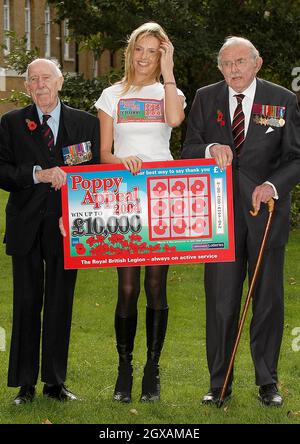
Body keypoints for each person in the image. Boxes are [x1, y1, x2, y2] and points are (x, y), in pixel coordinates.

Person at [182, 37, 300, 406]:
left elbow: (296, 158)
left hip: (265, 216)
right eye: (227, 63)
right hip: (218, 218)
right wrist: (207, 149)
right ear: (220, 67)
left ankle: (268, 382)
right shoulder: (205, 97)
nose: (234, 69)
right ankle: (219, 383)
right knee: (220, 302)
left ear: (257, 63)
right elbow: (187, 149)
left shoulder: (282, 99)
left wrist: (271, 185)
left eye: (241, 62)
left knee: (266, 300)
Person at [0, 58, 100, 404]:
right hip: (25, 225)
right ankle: (25, 386)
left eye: (46, 78)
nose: (40, 84)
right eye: (33, 80)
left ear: (60, 83)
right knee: (27, 302)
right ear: (27, 87)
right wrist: (36, 174)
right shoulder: (12, 122)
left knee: (60, 302)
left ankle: (55, 383)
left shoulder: (86, 124)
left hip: (66, 228)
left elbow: (96, 176)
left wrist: (76, 211)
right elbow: (1, 171)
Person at [95, 22, 185, 403]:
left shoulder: (170, 92)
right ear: (130, 51)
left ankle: (152, 367)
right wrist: (121, 159)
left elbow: (176, 121)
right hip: (125, 198)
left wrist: (168, 74)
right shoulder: (111, 95)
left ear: (162, 55)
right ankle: (124, 368)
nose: (144, 57)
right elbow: (103, 153)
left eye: (153, 50)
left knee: (155, 286)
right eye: (140, 49)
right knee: (128, 288)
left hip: (161, 198)